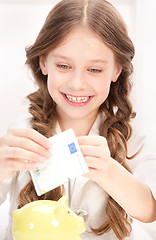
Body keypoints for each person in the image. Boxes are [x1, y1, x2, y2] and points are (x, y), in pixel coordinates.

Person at [0, 0, 156, 239]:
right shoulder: (21, 129)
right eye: (64, 65)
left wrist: (108, 171)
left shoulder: (136, 133)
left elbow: (149, 211)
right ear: (43, 61)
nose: (77, 84)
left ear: (116, 70)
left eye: (94, 70)